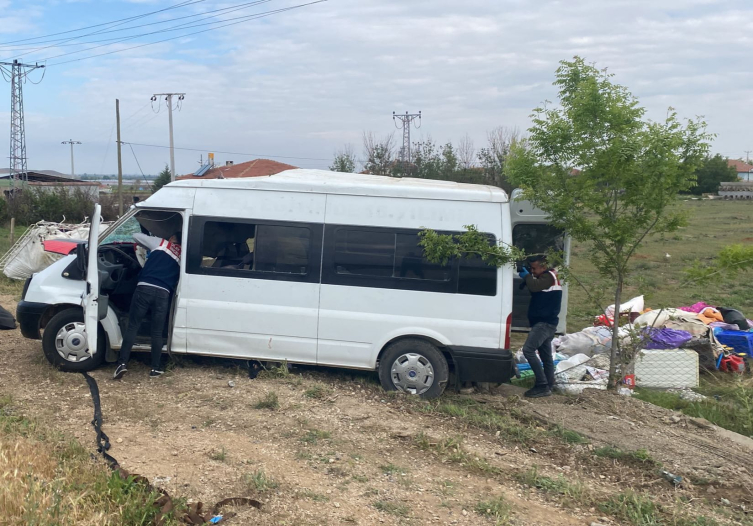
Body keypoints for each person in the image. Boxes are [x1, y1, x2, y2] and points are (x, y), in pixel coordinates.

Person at [113, 229, 182, 380]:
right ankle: (155, 369)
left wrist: (155, 239)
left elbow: (135, 236)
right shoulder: (182, 256)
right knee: (157, 332)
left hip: (144, 288)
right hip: (163, 293)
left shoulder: (161, 243)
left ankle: (122, 364)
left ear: (171, 237)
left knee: (133, 326)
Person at [518, 255, 562, 398]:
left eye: (534, 268)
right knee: (545, 356)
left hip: (544, 324)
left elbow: (534, 286)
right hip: (547, 323)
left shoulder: (548, 277)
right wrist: (528, 278)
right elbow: (536, 291)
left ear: (544, 266)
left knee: (528, 350)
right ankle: (549, 384)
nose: (532, 271)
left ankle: (542, 385)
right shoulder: (548, 278)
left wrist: (526, 277)